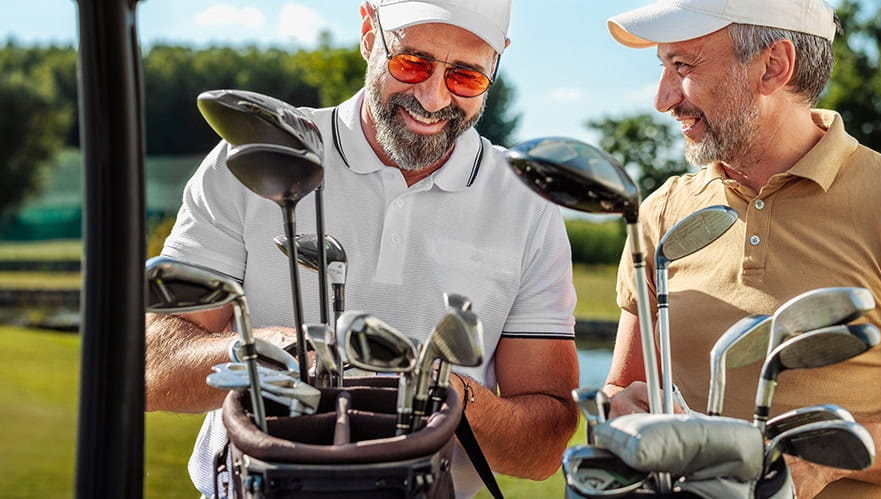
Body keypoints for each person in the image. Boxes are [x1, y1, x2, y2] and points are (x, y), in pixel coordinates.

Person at [144, 1, 579, 497]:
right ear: (369, 32)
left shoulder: (528, 202)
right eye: (412, 62)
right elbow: (151, 367)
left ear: (496, 64)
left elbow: (543, 448)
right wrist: (278, 352)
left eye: (466, 77)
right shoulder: (256, 155)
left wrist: (446, 392)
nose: (434, 98)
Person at [599, 0, 881, 497]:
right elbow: (622, 388)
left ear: (774, 65)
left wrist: (824, 456)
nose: (664, 99)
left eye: (683, 66)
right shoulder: (662, 210)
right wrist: (620, 408)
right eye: (663, 66)